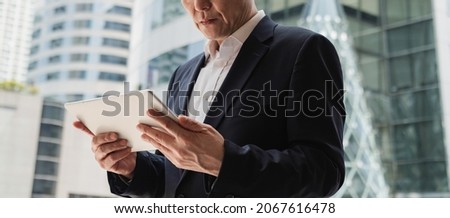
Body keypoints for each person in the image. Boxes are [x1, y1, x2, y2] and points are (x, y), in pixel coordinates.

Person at [74, 0, 346, 197]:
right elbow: (175, 179)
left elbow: (324, 171)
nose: (199, 5)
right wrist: (132, 168)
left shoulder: (303, 49)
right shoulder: (184, 72)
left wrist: (224, 160)